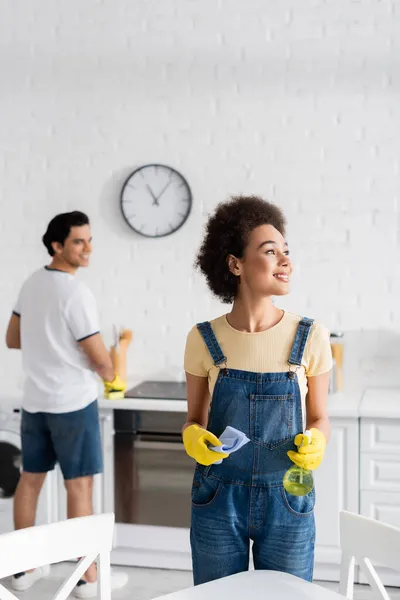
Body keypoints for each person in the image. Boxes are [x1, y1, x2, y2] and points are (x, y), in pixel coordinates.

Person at [183, 196, 332, 585]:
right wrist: (193, 437)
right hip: (217, 497)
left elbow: (319, 417)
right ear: (235, 264)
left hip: (288, 496)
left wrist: (318, 440)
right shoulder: (203, 339)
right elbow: (194, 419)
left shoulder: (310, 336)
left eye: (286, 252)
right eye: (270, 251)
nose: (286, 262)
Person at [5, 211, 127, 598]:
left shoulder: (32, 282)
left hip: (36, 401)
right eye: (79, 241)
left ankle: (21, 570)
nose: (88, 248)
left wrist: (50, 343)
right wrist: (112, 367)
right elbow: (101, 362)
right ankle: (88, 579)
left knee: (30, 479)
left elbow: (12, 338)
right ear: (57, 245)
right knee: (80, 487)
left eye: (90, 240)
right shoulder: (75, 292)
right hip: (72, 403)